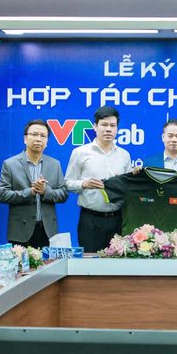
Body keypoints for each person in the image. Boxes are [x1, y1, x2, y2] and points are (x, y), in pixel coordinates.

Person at [65, 106, 132, 252]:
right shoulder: (80, 152)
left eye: (112, 125)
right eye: (104, 125)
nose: (108, 129)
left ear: (117, 129)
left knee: (117, 262)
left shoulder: (124, 155)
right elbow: (67, 183)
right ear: (95, 126)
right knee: (90, 261)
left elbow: (128, 189)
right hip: (90, 219)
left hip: (117, 219)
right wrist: (84, 184)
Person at [0, 119, 68, 248]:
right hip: (20, 230)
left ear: (47, 142)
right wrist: (30, 192)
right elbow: (2, 194)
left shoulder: (55, 164)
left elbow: (63, 194)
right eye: (34, 134)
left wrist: (45, 191)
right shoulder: (10, 164)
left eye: (43, 136)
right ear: (25, 138)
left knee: (48, 262)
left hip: (47, 231)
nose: (38, 139)